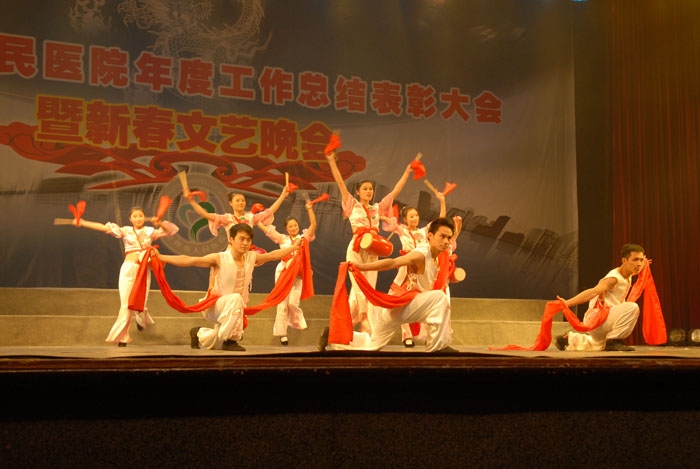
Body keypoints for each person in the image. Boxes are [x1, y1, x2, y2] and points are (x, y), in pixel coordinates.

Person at [319, 217, 458, 353]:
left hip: (393, 310)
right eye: (442, 236)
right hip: (400, 305)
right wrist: (361, 267)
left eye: (449, 238)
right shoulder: (421, 254)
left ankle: (333, 336)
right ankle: (438, 347)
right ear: (430, 235)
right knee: (440, 298)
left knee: (372, 345)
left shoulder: (436, 256)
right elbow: (393, 262)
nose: (446, 241)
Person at [156, 223, 301, 351]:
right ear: (231, 240)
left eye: (248, 240)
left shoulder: (251, 257)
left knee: (219, 338)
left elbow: (273, 255)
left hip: (235, 309)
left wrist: (294, 247)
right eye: (241, 239)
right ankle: (231, 340)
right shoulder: (220, 258)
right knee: (236, 299)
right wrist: (161, 257)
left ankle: (199, 333)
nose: (245, 243)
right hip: (214, 307)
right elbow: (190, 260)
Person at [325, 146, 414, 335]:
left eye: (371, 189)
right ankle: (364, 318)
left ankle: (343, 329)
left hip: (373, 249)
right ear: (358, 192)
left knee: (369, 289)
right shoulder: (352, 204)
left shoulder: (377, 209)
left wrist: (407, 172)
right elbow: (340, 182)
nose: (369, 191)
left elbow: (395, 192)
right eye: (365, 189)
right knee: (358, 284)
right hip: (356, 248)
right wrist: (332, 161)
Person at [75, 206, 179, 346]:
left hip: (143, 270)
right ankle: (122, 337)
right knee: (125, 305)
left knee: (141, 302)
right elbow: (103, 228)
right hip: (128, 269)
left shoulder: (150, 231)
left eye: (140, 215)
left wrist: (160, 223)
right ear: (130, 219)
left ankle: (141, 320)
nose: (138, 218)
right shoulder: (125, 230)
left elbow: (172, 230)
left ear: (144, 217)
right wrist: (83, 222)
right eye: (135, 216)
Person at [554, 243, 647, 352]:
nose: (639, 264)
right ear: (624, 260)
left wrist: (644, 262)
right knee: (632, 307)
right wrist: (567, 303)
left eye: (641, 260)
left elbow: (637, 267)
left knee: (597, 345)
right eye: (635, 260)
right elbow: (593, 292)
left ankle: (569, 340)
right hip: (598, 320)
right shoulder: (613, 278)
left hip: (605, 320)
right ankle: (613, 341)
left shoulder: (628, 274)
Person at [258, 200, 317, 346]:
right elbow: (267, 230)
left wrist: (309, 209)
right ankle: (282, 334)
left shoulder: (303, 238)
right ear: (286, 228)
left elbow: (313, 225)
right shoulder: (282, 239)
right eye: (290, 226)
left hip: (298, 274)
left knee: (292, 303)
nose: (293, 228)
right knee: (282, 303)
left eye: (295, 225)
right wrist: (256, 219)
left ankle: (297, 321)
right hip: (283, 272)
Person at [183, 184, 289, 239]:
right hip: (231, 255)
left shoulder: (251, 217)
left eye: (243, 200)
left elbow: (270, 211)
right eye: (237, 200)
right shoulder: (227, 218)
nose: (241, 202)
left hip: (246, 253)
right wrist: (191, 200)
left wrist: (283, 195)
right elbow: (204, 214)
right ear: (231, 203)